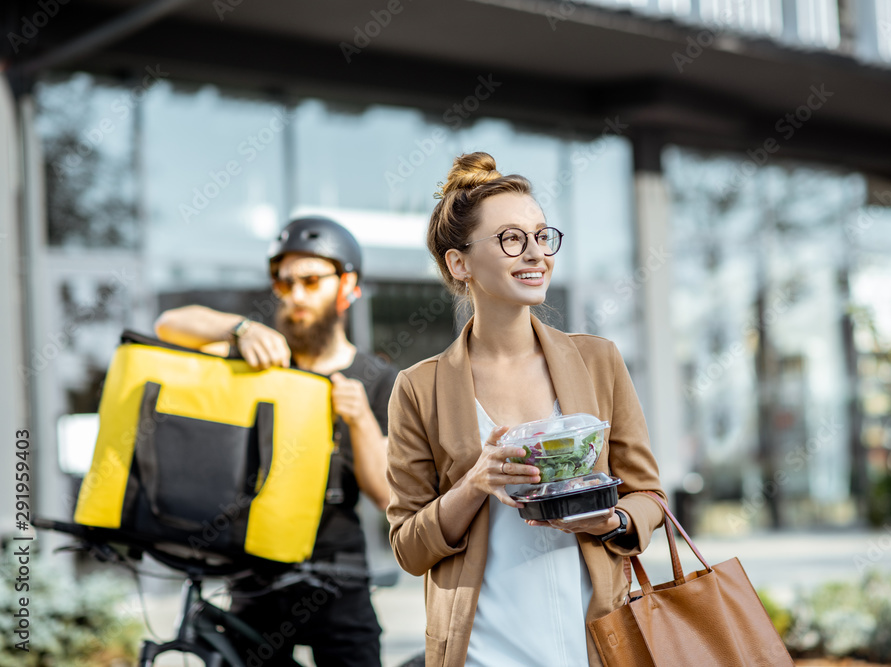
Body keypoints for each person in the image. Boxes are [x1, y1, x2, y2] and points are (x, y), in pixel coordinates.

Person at [385, 152, 667, 667]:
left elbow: (649, 495)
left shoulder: (598, 360)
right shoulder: (418, 388)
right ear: (459, 262)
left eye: (542, 236)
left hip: (597, 642)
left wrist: (610, 521)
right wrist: (474, 483)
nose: (536, 253)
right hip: (483, 651)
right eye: (511, 238)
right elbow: (408, 546)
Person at [154, 215, 396, 667]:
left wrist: (360, 418)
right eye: (285, 284)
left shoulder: (379, 380)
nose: (296, 296)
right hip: (255, 577)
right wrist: (238, 329)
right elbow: (170, 324)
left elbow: (387, 496)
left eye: (310, 281)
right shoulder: (259, 358)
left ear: (348, 287)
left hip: (338, 577)